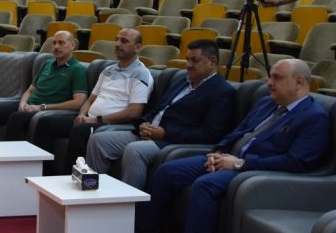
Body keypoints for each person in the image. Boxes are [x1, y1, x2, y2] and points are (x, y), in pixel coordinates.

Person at [136, 59, 329, 233]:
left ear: (299, 82)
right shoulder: (266, 103)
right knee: (167, 171)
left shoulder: (314, 116)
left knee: (205, 184)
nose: (269, 83)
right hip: (227, 158)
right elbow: (237, 132)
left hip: (252, 170)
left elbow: (296, 162)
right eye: (270, 77)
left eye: (277, 78)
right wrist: (218, 152)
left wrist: (239, 163)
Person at [84, 39, 235, 189]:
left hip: (171, 141)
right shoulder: (182, 80)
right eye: (187, 59)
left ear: (212, 62)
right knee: (98, 140)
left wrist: (165, 133)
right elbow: (159, 108)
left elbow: (211, 134)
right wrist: (144, 123)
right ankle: (93, 192)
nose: (188, 65)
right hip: (148, 133)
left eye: (194, 60)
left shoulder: (222, 91)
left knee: (134, 150)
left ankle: (129, 203)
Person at [0, 30, 87, 179]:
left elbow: (78, 102)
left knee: (16, 118)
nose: (56, 47)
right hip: (28, 105)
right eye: (54, 43)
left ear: (72, 45)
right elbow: (30, 90)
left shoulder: (77, 69)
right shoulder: (47, 64)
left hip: (46, 111)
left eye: (61, 43)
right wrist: (23, 102)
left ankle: (9, 170)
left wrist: (40, 107)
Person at [31, 28, 153, 174]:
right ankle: (42, 175)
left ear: (138, 47)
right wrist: (82, 115)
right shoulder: (108, 70)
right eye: (117, 40)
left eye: (124, 41)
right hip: (90, 118)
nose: (117, 44)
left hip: (112, 124)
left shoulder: (141, 74)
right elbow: (90, 100)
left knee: (79, 131)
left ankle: (68, 180)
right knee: (45, 123)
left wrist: (96, 120)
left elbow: (134, 112)